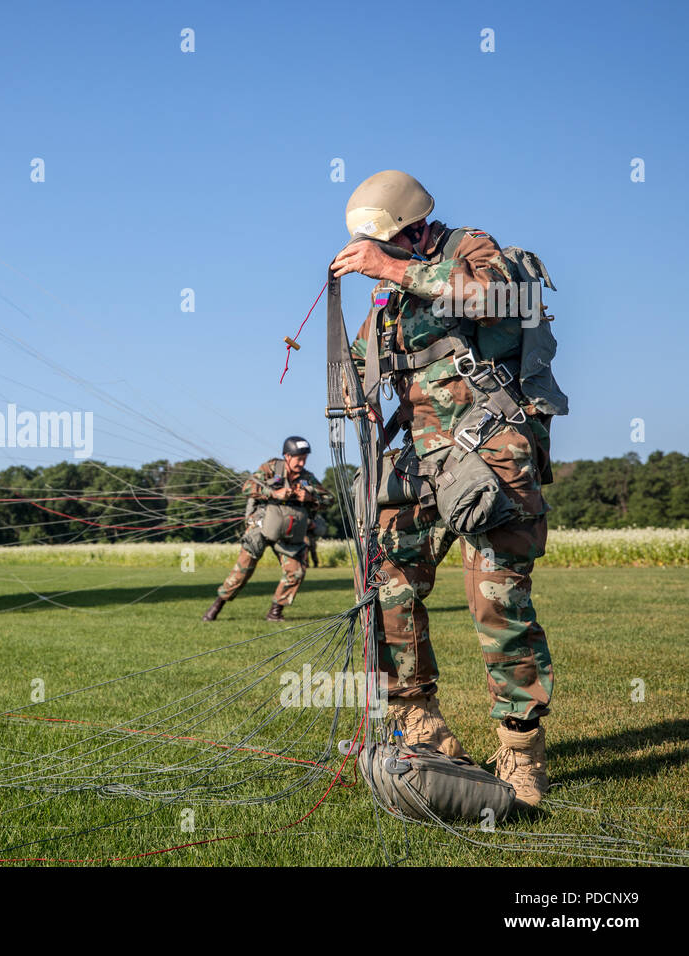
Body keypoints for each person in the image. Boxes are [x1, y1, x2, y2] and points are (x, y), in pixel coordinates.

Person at [330, 169, 555, 806]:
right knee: (383, 583)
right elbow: (370, 363)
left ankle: (520, 752)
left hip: (490, 453)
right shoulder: (389, 294)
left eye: (393, 245)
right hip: (418, 460)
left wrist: (394, 269)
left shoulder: (475, 253)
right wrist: (351, 378)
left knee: (496, 603)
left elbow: (494, 301)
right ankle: (422, 722)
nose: (385, 258)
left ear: (417, 228)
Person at [202, 437, 332, 623]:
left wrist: (311, 498)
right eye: (298, 458)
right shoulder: (271, 468)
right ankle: (215, 609)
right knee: (242, 571)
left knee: (296, 572)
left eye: (304, 459)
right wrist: (272, 493)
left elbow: (329, 499)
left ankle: (275, 612)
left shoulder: (307, 478)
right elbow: (247, 487)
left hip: (289, 532)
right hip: (261, 527)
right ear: (287, 456)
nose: (302, 463)